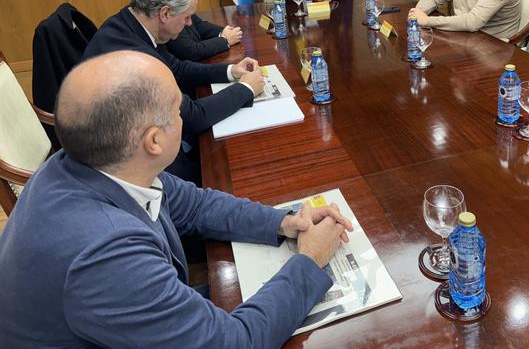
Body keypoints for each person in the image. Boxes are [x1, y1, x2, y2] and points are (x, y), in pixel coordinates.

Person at [0, 50, 352, 347]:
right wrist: (310, 259)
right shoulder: (105, 254)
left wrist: (284, 221)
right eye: (178, 108)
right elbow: (233, 343)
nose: (184, 114)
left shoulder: (91, 162)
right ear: (154, 141)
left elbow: (195, 205)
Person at [82, 0, 264, 141]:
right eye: (186, 17)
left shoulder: (130, 23)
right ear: (165, 13)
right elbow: (191, 117)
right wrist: (246, 89)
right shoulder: (136, 61)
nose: (189, 24)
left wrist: (231, 71)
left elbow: (177, 68)